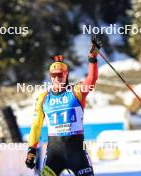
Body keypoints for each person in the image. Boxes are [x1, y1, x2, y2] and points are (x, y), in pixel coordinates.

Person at [25, 41, 100, 176]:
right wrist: (31, 150)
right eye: (54, 75)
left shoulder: (76, 91)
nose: (57, 78)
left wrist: (92, 60)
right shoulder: (43, 98)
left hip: (77, 154)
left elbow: (91, 80)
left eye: (60, 75)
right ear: (50, 77)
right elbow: (36, 125)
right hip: (54, 156)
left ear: (66, 75)